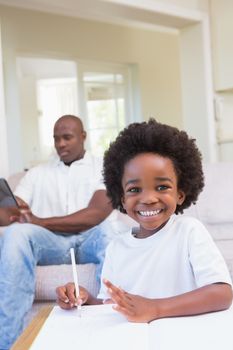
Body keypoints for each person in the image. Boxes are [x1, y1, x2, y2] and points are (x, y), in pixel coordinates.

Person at [56, 118, 232, 323]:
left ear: (180, 194)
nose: (148, 199)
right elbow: (115, 306)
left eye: (162, 187)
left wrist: (155, 308)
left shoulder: (189, 232)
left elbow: (222, 294)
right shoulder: (116, 247)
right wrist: (85, 300)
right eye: (134, 190)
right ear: (122, 198)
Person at [0, 115, 115, 350]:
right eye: (56, 139)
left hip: (90, 238)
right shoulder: (36, 173)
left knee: (108, 229)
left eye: (67, 137)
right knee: (15, 234)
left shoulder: (103, 167)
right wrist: (8, 210)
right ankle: (9, 344)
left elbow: (96, 214)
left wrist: (39, 221)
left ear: (83, 136)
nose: (60, 144)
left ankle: (113, 326)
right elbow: (12, 213)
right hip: (51, 244)